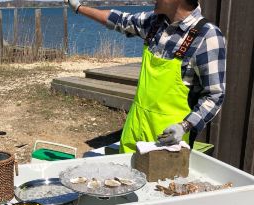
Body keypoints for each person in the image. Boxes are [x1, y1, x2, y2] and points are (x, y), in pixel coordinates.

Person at [64, 0, 226, 153]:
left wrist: (184, 126)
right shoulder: (154, 22)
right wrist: (79, 7)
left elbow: (215, 95)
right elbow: (117, 19)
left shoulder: (207, 36)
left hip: (169, 141)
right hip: (134, 130)